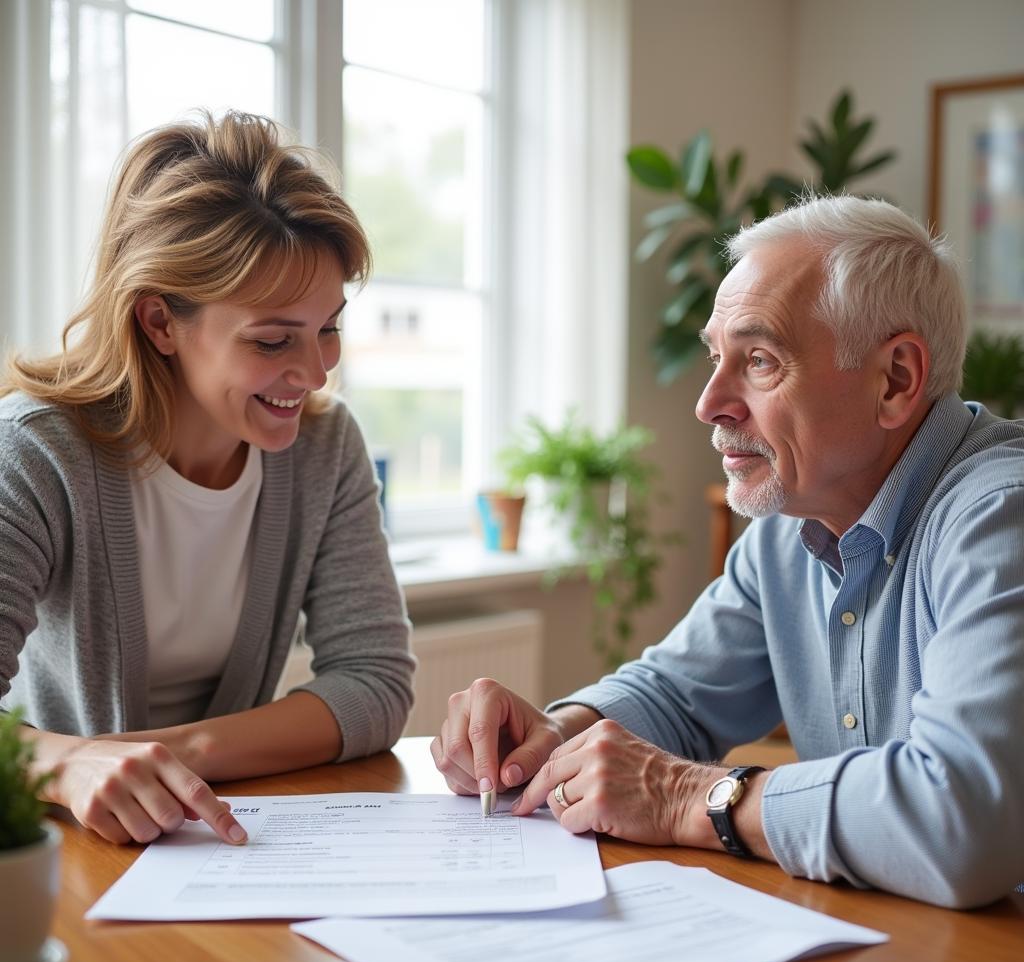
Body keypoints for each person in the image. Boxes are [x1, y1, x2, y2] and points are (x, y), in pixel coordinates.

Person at [432, 194, 1024, 910]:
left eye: (760, 360)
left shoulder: (1000, 517)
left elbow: (963, 821)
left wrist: (691, 797)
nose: (709, 402)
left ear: (895, 379)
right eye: (717, 357)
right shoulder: (791, 526)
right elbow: (678, 695)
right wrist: (553, 735)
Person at [0, 111, 414, 847]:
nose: (317, 371)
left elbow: (375, 684)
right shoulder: (37, 454)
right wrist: (65, 767)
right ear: (160, 322)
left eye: (329, 327)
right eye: (273, 339)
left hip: (219, 836)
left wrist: (172, 758)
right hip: (58, 847)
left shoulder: (325, 446)